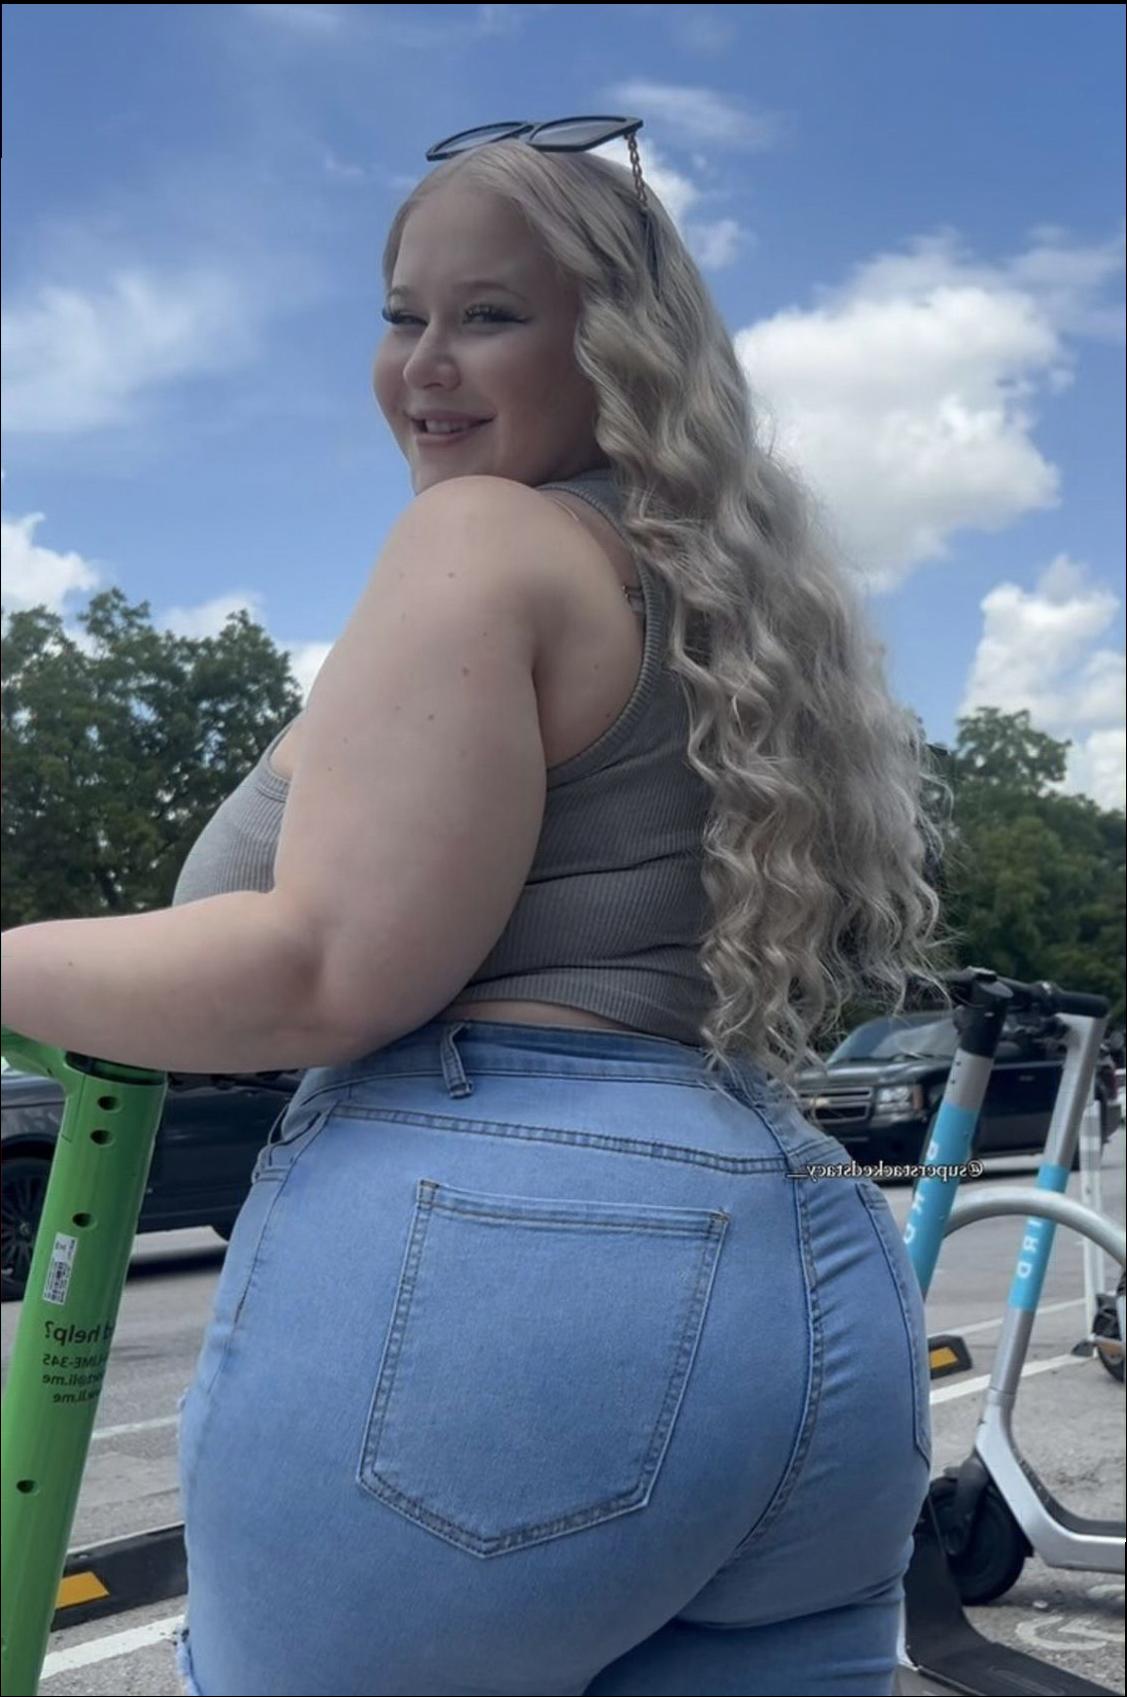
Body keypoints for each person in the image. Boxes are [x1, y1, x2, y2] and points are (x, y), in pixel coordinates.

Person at [0, 119, 949, 1696]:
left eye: (489, 315)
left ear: (619, 345)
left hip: (497, 1283)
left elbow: (320, 969)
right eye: (400, 314)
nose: (425, 364)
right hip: (802, 1274)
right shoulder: (714, 598)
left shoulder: (482, 540)